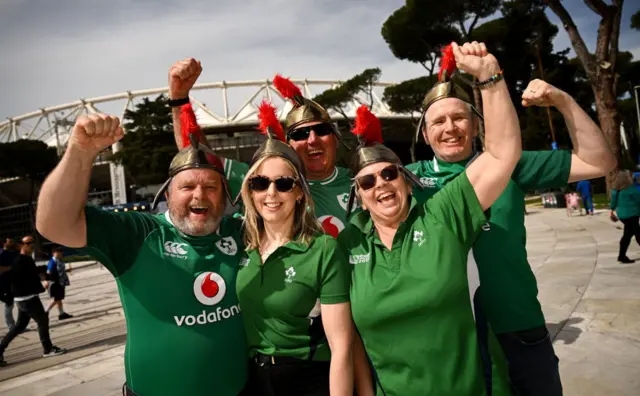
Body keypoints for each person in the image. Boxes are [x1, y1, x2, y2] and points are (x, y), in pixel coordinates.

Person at [406, 46, 616, 393]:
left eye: (459, 118)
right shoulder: (406, 181)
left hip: (518, 326)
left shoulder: (510, 165)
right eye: (438, 122)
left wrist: (562, 101)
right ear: (426, 136)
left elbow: (598, 162)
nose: (450, 128)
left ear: (476, 124)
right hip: (450, 336)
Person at [340, 41, 520, 395]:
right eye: (367, 181)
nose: (381, 185)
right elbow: (347, 339)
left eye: (390, 174)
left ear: (407, 181)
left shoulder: (443, 212)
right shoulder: (347, 243)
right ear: (357, 196)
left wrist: (490, 79)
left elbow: (502, 154)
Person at [36, 114, 247, 395]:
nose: (200, 195)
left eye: (211, 187)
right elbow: (54, 225)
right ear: (167, 195)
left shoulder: (241, 232)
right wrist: (80, 152)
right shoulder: (139, 233)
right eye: (187, 187)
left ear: (225, 197)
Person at [236, 102, 353, 395]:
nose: (271, 193)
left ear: (300, 192)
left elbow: (342, 347)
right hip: (253, 380)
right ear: (249, 190)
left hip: (308, 378)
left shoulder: (323, 248)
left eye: (284, 184)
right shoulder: (238, 243)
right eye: (260, 183)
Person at [168, 61, 354, 237]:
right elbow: (196, 156)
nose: (312, 140)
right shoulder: (260, 182)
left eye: (321, 131)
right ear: (288, 144)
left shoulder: (366, 182)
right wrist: (179, 99)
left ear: (335, 138)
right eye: (301, 134)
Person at [0, 236, 67, 366]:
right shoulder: (20, 261)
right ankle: (48, 349)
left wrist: (43, 273)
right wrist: (42, 287)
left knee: (19, 326)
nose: (31, 245)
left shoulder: (25, 259)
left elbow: (32, 273)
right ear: (21, 245)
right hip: (28, 298)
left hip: (23, 299)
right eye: (28, 243)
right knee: (42, 320)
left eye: (32, 242)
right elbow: (25, 280)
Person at [610, 170, 640, 264]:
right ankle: (621, 256)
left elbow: (612, 205)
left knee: (631, 234)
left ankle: (621, 256)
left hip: (622, 215)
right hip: (632, 214)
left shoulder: (616, 191)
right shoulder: (631, 189)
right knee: (634, 234)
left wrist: (612, 211)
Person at [45, 246, 73, 320]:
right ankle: (45, 312)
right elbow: (48, 272)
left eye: (61, 252)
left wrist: (67, 270)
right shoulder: (52, 262)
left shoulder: (59, 260)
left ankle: (61, 314)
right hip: (55, 283)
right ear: (54, 253)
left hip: (60, 282)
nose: (61, 254)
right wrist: (47, 281)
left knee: (59, 299)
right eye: (59, 252)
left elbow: (59, 271)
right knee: (56, 299)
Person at [0, 238, 17, 330]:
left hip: (12, 282)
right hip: (3, 283)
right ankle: (11, 326)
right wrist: (11, 267)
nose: (12, 243)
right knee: (8, 303)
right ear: (4, 243)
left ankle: (14, 325)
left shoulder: (13, 253)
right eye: (10, 242)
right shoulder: (1, 254)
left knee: (11, 303)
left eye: (12, 241)